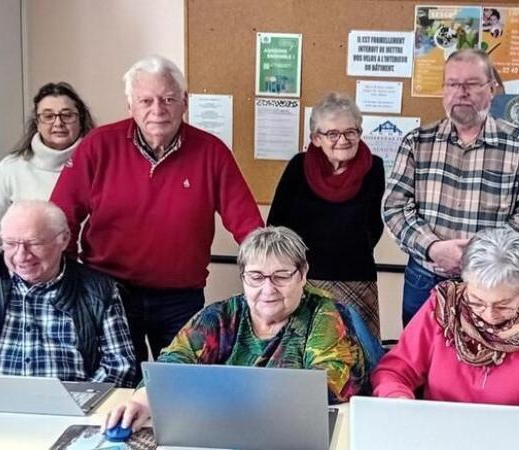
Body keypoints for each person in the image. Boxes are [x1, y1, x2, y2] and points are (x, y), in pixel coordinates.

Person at [49, 55, 264, 374]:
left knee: (182, 386)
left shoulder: (211, 152)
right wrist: (67, 278)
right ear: (130, 106)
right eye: (146, 100)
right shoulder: (98, 146)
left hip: (180, 297)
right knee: (116, 385)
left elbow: (246, 223)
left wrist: (267, 269)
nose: (158, 110)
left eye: (168, 99)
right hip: (109, 293)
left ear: (184, 102)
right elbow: (60, 218)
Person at [103, 226, 367, 432]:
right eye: (256, 277)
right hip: (225, 430)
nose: (268, 289)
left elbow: (328, 384)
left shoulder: (325, 314)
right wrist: (141, 401)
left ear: (302, 274)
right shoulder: (222, 315)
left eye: (281, 276)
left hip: (292, 434)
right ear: (243, 277)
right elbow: (175, 360)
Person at [382, 48, 519, 326]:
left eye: (472, 84)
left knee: (488, 365)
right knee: (421, 365)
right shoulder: (417, 142)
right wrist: (433, 247)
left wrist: (479, 255)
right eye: (453, 84)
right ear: (444, 89)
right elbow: (395, 207)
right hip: (425, 279)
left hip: (494, 288)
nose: (462, 92)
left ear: (492, 88)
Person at [372, 227, 519, 407]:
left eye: (503, 305)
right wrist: (398, 400)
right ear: (464, 281)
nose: (489, 315)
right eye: (476, 301)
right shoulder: (442, 307)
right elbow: (394, 371)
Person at [0, 200, 136, 387]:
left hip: (71, 410)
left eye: (34, 243)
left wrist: (82, 403)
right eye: (10, 244)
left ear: (64, 239)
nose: (21, 256)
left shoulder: (99, 290)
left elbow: (119, 365)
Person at [267, 93, 385, 338]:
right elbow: (276, 224)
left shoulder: (374, 167)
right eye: (332, 133)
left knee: (358, 354)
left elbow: (374, 225)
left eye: (351, 132)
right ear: (316, 138)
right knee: (302, 352)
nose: (343, 140)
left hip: (356, 277)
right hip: (304, 278)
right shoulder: (298, 167)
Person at [0, 82, 95, 261]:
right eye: (48, 116)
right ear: (37, 123)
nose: (58, 123)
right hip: (24, 277)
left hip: (87, 277)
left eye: (67, 115)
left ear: (81, 120)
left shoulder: (102, 165)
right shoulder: (11, 168)